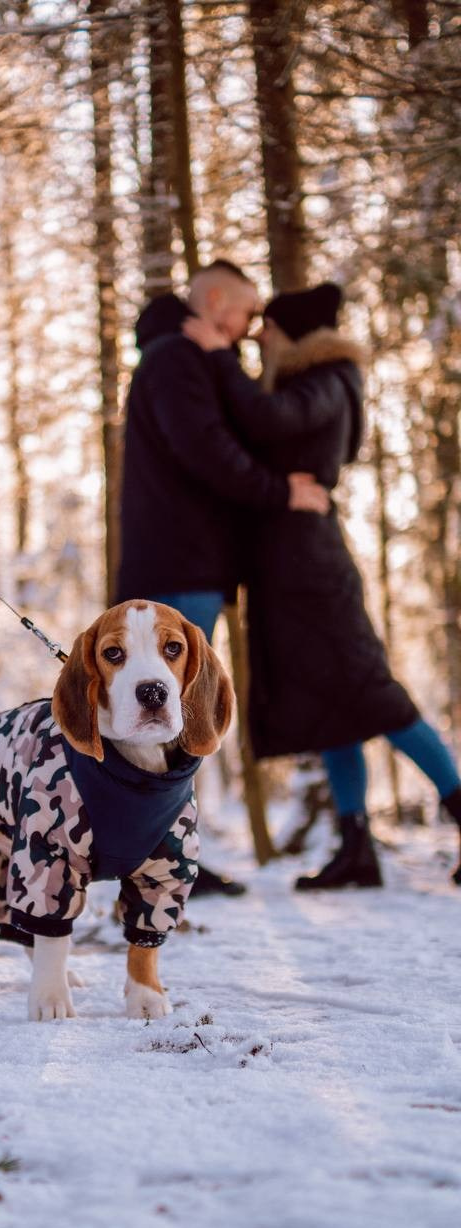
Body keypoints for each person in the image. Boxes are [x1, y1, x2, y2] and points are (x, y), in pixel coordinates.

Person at [183, 282, 461, 889]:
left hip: (313, 570)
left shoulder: (328, 378)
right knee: (334, 709)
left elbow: (267, 419)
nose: (260, 340)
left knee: (372, 692)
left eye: (270, 331)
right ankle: (356, 847)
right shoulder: (320, 381)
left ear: (296, 335)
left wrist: (216, 356)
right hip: (293, 569)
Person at [116, 260, 331, 895]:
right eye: (243, 312)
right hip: (178, 563)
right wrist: (280, 492)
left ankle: (163, 845)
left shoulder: (182, 358)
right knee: (171, 709)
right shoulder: (177, 361)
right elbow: (207, 449)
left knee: (174, 708)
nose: (246, 327)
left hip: (184, 560)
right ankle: (160, 850)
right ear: (213, 301)